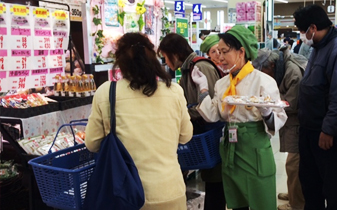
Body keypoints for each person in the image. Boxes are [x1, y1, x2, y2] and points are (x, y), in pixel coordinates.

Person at [85, 32, 193, 210]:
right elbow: (186, 136)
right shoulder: (174, 91)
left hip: (126, 195)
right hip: (170, 192)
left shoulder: (107, 92)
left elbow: (92, 144)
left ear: (120, 62)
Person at [191, 25, 287, 210]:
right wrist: (203, 88)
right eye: (217, 52)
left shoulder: (263, 81)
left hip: (255, 148)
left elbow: (279, 119)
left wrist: (267, 112)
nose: (219, 57)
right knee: (236, 201)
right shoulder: (222, 84)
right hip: (231, 149)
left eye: (224, 52)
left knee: (262, 201)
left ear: (241, 51)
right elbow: (213, 114)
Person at [293, 4, 337, 210]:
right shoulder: (318, 47)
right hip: (311, 132)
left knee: (331, 190)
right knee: (310, 186)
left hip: (330, 137)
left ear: (312, 27)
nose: (302, 36)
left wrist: (329, 129)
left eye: (302, 31)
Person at [158, 33, 226, 210]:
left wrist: (183, 112)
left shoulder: (200, 67)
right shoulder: (187, 69)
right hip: (201, 134)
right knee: (210, 182)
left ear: (174, 53)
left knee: (215, 184)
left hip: (212, 135)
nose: (166, 62)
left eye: (165, 56)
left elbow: (210, 107)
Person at [252, 47, 306, 210]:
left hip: (300, 122)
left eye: (264, 71)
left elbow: (290, 103)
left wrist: (267, 103)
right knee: (294, 163)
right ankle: (294, 193)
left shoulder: (292, 72)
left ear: (272, 65)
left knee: (294, 164)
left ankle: (297, 204)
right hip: (294, 120)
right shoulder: (283, 67)